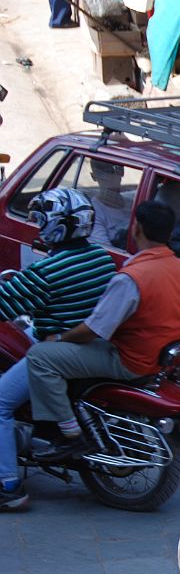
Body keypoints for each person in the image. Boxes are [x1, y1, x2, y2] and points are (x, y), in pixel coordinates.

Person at [24, 201, 180, 462]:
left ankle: (70, 436)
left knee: (40, 356)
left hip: (127, 359)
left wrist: (59, 338)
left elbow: (93, 330)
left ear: (136, 227)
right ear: (169, 233)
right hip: (158, 357)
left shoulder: (132, 277)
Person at [0, 189, 116, 509]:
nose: (38, 228)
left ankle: (8, 485)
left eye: (42, 221)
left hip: (57, 352)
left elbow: (6, 304)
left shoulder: (46, 272)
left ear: (57, 225)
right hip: (95, 347)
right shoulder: (102, 258)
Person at [86, 161, 133, 247]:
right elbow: (106, 251)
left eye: (117, 171)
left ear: (122, 172)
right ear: (94, 177)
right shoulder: (94, 213)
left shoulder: (133, 201)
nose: (112, 178)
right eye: (103, 174)